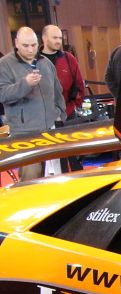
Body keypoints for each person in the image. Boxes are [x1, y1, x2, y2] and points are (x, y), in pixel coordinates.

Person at [0, 27, 66, 180]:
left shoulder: (45, 63)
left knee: (55, 178)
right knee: (31, 179)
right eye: (25, 45)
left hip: (50, 130)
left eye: (34, 45)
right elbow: (2, 94)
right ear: (16, 43)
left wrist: (59, 114)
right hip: (25, 133)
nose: (30, 49)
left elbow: (57, 91)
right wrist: (25, 84)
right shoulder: (4, 65)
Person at [40, 25, 84, 120]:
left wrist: (72, 107)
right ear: (44, 38)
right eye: (54, 38)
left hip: (68, 114)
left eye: (60, 38)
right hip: (42, 118)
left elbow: (80, 85)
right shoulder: (34, 61)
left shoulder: (69, 58)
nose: (58, 41)